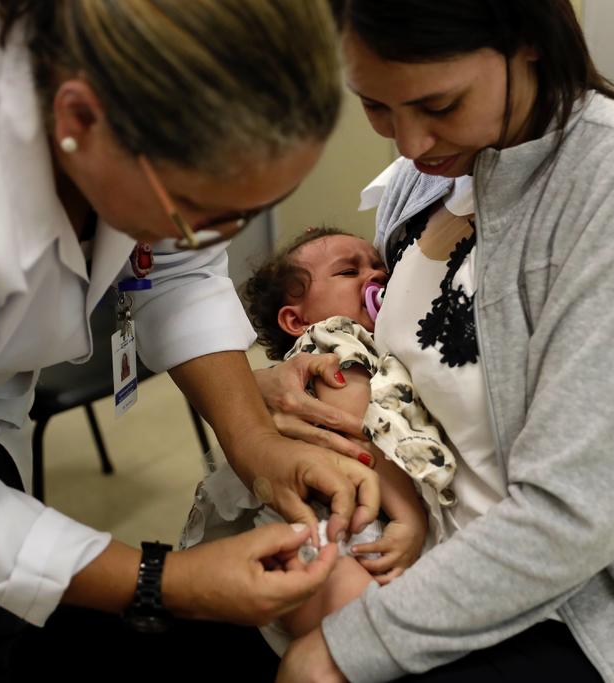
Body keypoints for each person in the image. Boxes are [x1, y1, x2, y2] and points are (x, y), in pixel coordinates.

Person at [0, 1, 382, 680]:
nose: (217, 237)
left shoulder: (132, 92)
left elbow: (172, 261)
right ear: (80, 119)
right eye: (201, 213)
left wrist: (256, 445)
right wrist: (165, 582)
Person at [264, 1, 614, 681]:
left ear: (526, 39)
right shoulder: (430, 177)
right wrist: (285, 386)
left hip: (582, 608)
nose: (409, 142)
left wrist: (347, 645)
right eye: (376, 106)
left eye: (440, 104)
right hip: (427, 556)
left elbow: (572, 517)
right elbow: (385, 362)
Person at [183, 227, 463, 652]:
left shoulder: (375, 345)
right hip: (338, 521)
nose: (375, 275)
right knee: (356, 633)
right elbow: (360, 432)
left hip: (327, 522)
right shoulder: (332, 339)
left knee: (338, 633)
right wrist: (408, 516)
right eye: (349, 271)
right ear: (296, 320)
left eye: (378, 266)